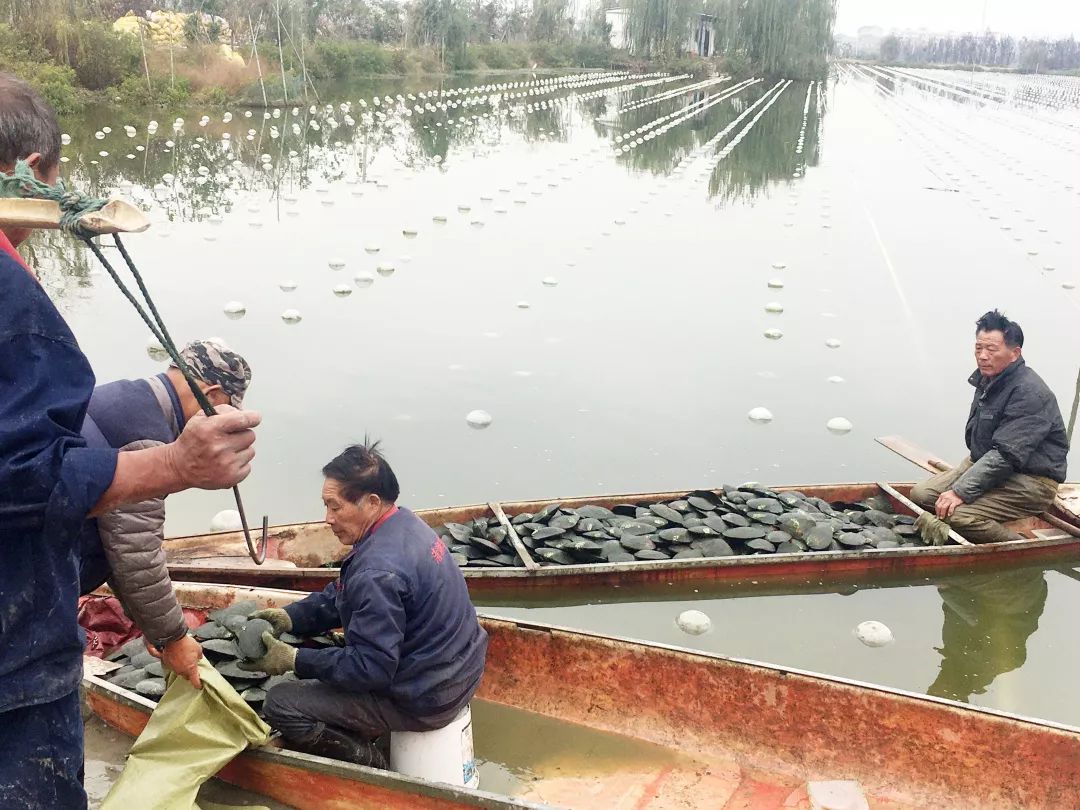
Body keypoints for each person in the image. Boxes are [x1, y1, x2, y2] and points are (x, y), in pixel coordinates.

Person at [1, 72, 260, 809]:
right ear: (37, 172)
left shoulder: (124, 397)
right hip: (12, 651)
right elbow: (124, 547)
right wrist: (180, 467)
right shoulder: (13, 299)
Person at [240, 442, 488, 769]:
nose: (327, 519)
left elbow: (371, 669)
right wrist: (290, 618)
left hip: (424, 697)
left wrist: (295, 659)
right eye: (325, 506)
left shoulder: (378, 571)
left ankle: (372, 764)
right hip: (458, 672)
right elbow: (346, 593)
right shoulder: (404, 525)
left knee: (281, 702)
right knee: (331, 653)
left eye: (335, 507)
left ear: (371, 502)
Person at [79, 340, 253, 689]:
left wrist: (150, 626)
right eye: (225, 413)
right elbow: (136, 556)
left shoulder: (118, 398)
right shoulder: (146, 440)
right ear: (213, 394)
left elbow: (117, 541)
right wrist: (173, 638)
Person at [910, 310, 1068, 544]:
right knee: (920, 495)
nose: (983, 356)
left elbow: (1006, 455)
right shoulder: (989, 379)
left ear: (1014, 353)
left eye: (991, 350)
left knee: (956, 515)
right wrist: (965, 481)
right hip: (986, 464)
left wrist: (960, 492)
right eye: (978, 348)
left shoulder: (1030, 393)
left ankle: (1018, 547)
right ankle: (986, 516)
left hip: (1030, 480)